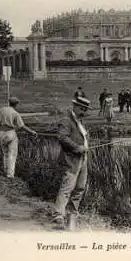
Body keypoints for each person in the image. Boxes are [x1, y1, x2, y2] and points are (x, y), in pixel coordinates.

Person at [52, 96, 92, 231]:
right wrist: (77, 147)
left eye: (85, 109)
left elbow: (83, 137)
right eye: (82, 108)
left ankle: (72, 214)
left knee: (80, 188)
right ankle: (58, 215)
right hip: (71, 159)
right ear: (74, 106)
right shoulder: (66, 120)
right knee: (67, 188)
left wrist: (85, 147)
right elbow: (62, 138)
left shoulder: (80, 121)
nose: (84, 111)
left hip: (83, 159)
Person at [0, 97, 37, 178]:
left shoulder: (3, 109)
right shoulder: (15, 113)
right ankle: (10, 174)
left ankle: (5, 171)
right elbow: (22, 126)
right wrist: (31, 131)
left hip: (1, 132)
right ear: (16, 104)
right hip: (10, 132)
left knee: (5, 153)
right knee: (12, 154)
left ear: (9, 103)